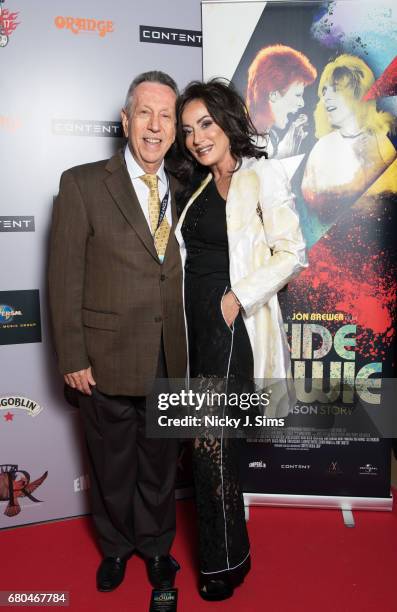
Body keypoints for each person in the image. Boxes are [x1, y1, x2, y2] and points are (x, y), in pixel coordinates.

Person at [48, 71, 186, 592]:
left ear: (174, 126)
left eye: (166, 115)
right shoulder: (82, 183)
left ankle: (154, 548)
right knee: (110, 465)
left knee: (159, 465)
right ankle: (115, 547)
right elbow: (64, 277)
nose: (155, 126)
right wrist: (72, 355)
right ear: (126, 120)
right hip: (103, 358)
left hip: (171, 355)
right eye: (145, 113)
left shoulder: (185, 186)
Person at [174, 79, 307, 601]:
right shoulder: (192, 184)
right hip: (194, 326)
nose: (196, 138)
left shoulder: (261, 175)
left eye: (205, 123)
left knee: (212, 447)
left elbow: (291, 251)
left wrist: (236, 299)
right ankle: (233, 555)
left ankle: (221, 562)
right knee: (210, 448)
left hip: (232, 323)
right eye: (188, 130)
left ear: (227, 120)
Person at [302, 53, 396, 233]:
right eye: (324, 91)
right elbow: (312, 215)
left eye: (335, 89)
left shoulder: (386, 139)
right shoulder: (321, 148)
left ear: (358, 91)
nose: (326, 97)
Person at [246, 44, 317, 158]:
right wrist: (283, 156)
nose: (302, 103)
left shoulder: (272, 138)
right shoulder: (244, 141)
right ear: (273, 95)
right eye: (298, 95)